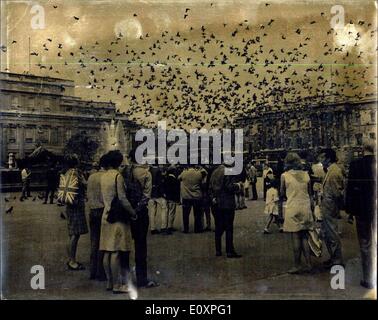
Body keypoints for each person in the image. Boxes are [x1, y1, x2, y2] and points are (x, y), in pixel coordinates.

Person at [100, 150, 137, 294]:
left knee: (107, 251)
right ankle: (117, 285)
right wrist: (133, 213)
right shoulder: (118, 176)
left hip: (106, 215)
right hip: (117, 217)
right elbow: (122, 199)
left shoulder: (103, 177)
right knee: (116, 252)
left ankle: (109, 282)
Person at [124, 149, 159, 288]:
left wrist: (129, 211)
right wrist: (136, 211)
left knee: (124, 246)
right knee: (140, 246)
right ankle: (141, 279)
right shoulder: (146, 173)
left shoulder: (124, 172)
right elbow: (146, 196)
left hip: (126, 211)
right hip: (140, 213)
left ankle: (124, 279)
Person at [345, 140, 376, 289]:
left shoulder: (355, 165)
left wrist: (350, 211)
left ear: (363, 149)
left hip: (362, 210)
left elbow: (350, 190)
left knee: (365, 244)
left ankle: (368, 279)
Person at [280, 153, 314, 274]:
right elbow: (310, 193)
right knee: (305, 236)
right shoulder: (306, 175)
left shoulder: (284, 176)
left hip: (292, 207)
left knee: (295, 238)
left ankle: (297, 265)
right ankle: (309, 264)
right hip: (305, 207)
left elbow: (282, 193)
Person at [210, 164, 242, 258]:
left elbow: (210, 187)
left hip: (217, 203)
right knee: (229, 228)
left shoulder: (214, 172)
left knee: (218, 227)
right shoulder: (228, 172)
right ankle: (229, 251)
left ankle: (218, 250)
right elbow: (229, 187)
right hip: (227, 203)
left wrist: (213, 198)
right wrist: (238, 186)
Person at [320, 148, 345, 268]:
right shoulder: (330, 170)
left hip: (330, 206)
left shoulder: (334, 171)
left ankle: (337, 260)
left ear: (328, 158)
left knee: (332, 234)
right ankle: (333, 257)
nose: (321, 160)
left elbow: (337, 193)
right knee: (327, 233)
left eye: (322, 158)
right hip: (327, 206)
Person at [64, 154, 88, 271]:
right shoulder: (76, 173)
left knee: (72, 233)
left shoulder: (67, 172)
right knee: (75, 234)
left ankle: (70, 259)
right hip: (76, 204)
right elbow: (85, 184)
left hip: (69, 204)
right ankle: (72, 261)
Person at [87, 155, 107, 281]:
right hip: (102, 210)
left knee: (94, 242)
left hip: (92, 210)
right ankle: (101, 272)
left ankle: (92, 271)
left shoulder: (91, 177)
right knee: (103, 242)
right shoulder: (106, 177)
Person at [178, 165, 204, 233]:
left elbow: (178, 178)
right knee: (197, 214)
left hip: (186, 196)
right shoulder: (198, 173)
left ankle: (186, 229)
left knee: (185, 214)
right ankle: (197, 229)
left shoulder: (184, 173)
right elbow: (203, 180)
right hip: (197, 196)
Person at [148, 164, 167, 234]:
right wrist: (163, 193)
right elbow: (160, 183)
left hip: (150, 193)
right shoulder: (158, 171)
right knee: (164, 209)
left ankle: (152, 228)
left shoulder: (149, 171)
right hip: (158, 193)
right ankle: (163, 227)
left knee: (152, 212)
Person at [164, 166, 181, 233]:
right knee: (172, 213)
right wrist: (178, 200)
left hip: (166, 198)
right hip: (172, 198)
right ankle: (170, 227)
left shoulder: (166, 178)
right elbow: (176, 190)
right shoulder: (174, 180)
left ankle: (165, 226)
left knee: (166, 212)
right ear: (174, 171)